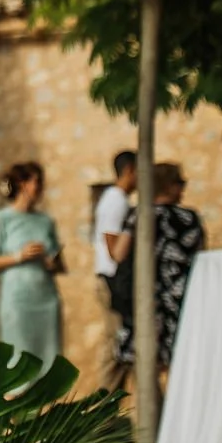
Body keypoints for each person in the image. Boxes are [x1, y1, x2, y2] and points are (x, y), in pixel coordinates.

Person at [111, 163, 205, 381]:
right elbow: (200, 254)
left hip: (145, 296)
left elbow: (118, 253)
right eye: (180, 183)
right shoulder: (189, 219)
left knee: (145, 366)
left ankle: (150, 413)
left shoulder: (139, 215)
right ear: (169, 186)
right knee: (179, 362)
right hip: (180, 298)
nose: (183, 189)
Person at [0, 162, 63, 374]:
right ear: (22, 184)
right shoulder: (1, 219)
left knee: (47, 359)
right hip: (17, 300)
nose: (40, 187)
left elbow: (58, 262)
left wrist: (50, 260)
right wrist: (20, 255)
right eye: (37, 182)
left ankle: (45, 406)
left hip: (46, 298)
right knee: (18, 358)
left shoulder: (45, 221)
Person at [93, 150, 137, 388]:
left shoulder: (117, 199)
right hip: (112, 281)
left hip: (114, 281)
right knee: (114, 346)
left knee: (119, 346)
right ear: (130, 170)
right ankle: (104, 410)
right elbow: (113, 248)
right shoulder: (116, 200)